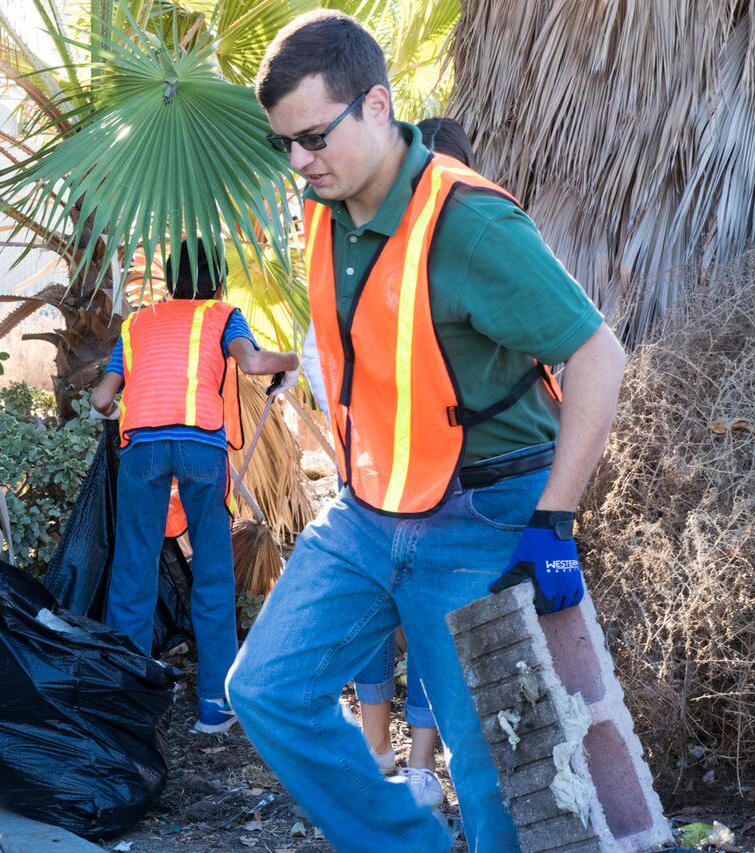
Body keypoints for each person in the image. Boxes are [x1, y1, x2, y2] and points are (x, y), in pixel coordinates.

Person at [227, 11, 626, 853]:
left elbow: (599, 357)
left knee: (492, 776)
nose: (299, 161)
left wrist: (555, 521)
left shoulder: (471, 223)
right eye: (283, 145)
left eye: (313, 137)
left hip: (483, 519)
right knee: (264, 688)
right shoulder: (324, 209)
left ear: (377, 105)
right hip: (370, 510)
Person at [91, 239, 298, 734]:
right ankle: (214, 707)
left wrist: (125, 414)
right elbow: (250, 363)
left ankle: (129, 705)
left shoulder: (137, 322)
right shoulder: (224, 315)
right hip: (202, 448)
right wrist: (292, 360)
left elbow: (102, 398)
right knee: (211, 574)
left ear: (169, 280)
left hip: (141, 447)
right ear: (218, 282)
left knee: (132, 571)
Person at [348, 115, 477, 807]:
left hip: (417, 470)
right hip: (401, 470)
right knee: (405, 613)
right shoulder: (455, 243)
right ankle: (401, 759)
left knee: (407, 614)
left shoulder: (381, 247)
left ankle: (402, 759)